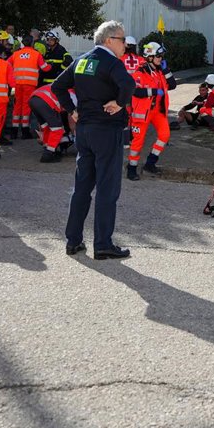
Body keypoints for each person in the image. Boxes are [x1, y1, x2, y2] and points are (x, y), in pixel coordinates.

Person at [53, 20, 136, 260]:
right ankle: (102, 244)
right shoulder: (111, 62)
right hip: (107, 130)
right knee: (107, 189)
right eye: (122, 40)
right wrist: (119, 103)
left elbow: (58, 86)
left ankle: (73, 241)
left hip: (85, 131)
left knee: (82, 187)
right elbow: (129, 84)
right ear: (109, 40)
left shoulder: (81, 60)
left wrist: (72, 110)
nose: (125, 45)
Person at [127, 42, 176, 179]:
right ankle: (131, 168)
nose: (161, 59)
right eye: (158, 56)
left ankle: (150, 163)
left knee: (164, 135)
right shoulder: (140, 72)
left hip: (158, 111)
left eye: (162, 56)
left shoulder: (160, 71)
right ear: (150, 57)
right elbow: (136, 91)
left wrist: (166, 70)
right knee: (138, 142)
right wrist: (154, 91)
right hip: (142, 113)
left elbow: (172, 85)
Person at [7, 39, 50, 140]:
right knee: (26, 106)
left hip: (17, 84)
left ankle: (14, 131)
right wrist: (51, 65)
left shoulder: (16, 54)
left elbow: (7, 64)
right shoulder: (36, 54)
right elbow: (45, 68)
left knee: (17, 106)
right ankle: (25, 131)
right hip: (30, 84)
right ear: (32, 43)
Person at [28, 84, 69, 162]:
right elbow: (71, 116)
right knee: (57, 129)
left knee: (47, 127)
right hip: (44, 101)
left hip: (33, 99)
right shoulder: (72, 93)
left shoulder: (63, 83)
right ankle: (48, 154)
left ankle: (47, 148)